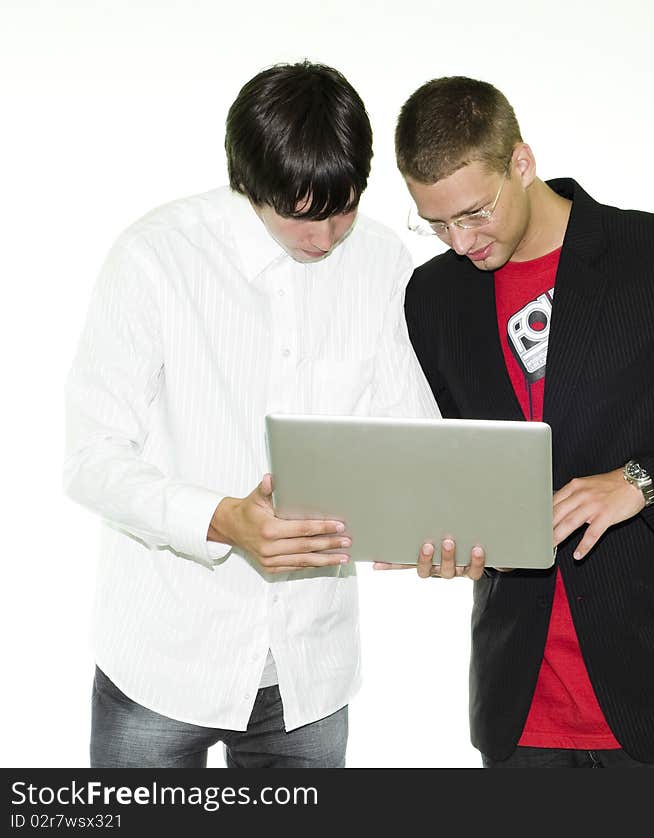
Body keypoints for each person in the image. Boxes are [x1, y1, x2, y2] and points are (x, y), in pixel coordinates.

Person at [392, 76, 654, 767]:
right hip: (521, 709)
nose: (459, 241)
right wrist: (453, 539)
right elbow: (464, 460)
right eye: (435, 223)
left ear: (521, 162)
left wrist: (641, 481)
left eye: (473, 214)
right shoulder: (433, 297)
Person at [63, 61, 439, 768]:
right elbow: (91, 459)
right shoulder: (155, 258)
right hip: (164, 657)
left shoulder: (382, 260)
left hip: (309, 670)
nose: (325, 239)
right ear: (250, 186)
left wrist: (425, 520)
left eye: (343, 208)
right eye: (300, 217)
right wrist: (222, 519)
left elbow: (406, 435)